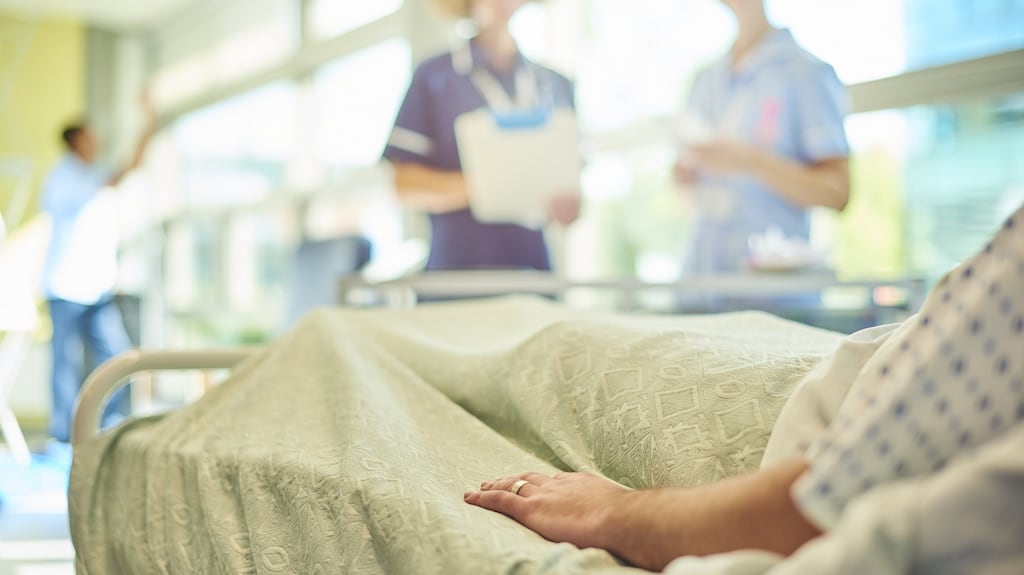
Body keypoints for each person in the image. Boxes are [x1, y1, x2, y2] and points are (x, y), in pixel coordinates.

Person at [466, 205, 1024, 573]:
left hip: (769, 387)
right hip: (797, 352)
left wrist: (613, 511)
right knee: (561, 336)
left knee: (560, 343)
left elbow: (813, 506)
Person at [383, 0, 579, 271]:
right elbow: (404, 184)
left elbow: (573, 189)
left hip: (533, 274)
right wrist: (487, 186)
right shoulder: (435, 77)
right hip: (457, 274)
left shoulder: (555, 85)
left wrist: (567, 207)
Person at [675, 0, 850, 276]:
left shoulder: (804, 72)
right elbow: (684, 191)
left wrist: (751, 161)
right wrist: (684, 175)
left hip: (772, 293)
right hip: (700, 283)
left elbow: (837, 192)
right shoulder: (705, 81)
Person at [41, 111, 155, 446]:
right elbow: (117, 175)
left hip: (97, 288)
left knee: (116, 354)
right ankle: (62, 437)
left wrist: (148, 124)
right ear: (76, 140)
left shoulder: (91, 174)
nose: (97, 142)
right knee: (65, 363)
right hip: (64, 286)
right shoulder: (63, 178)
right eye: (91, 136)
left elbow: (128, 167)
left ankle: (110, 426)